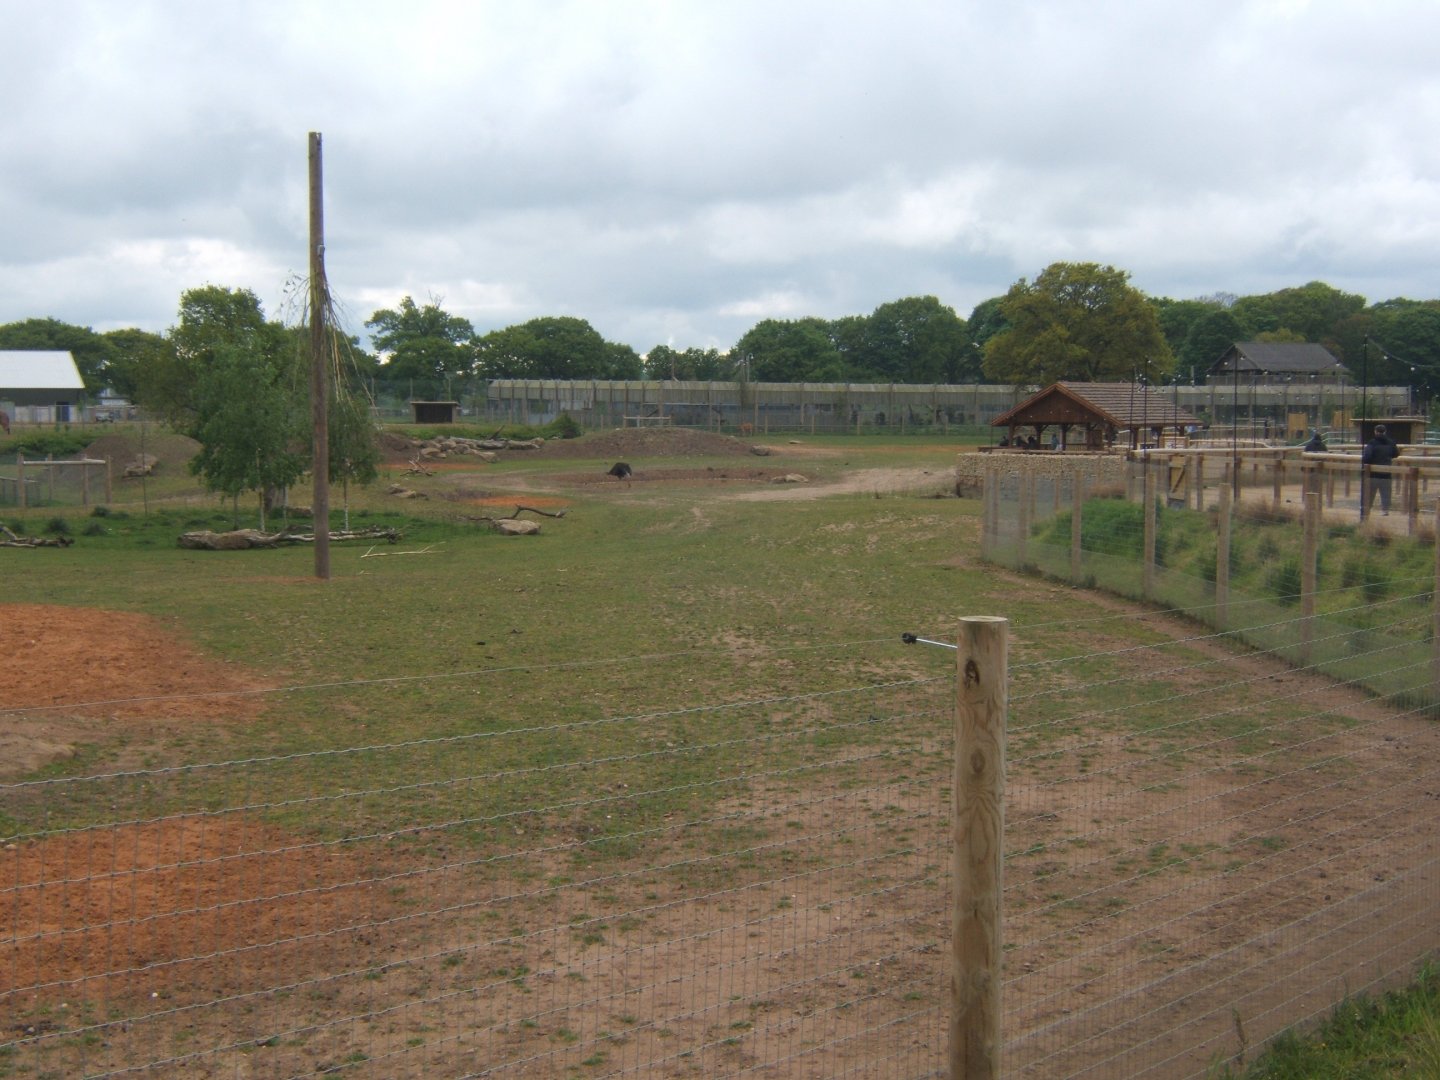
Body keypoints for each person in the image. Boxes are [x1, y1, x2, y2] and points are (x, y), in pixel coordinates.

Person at [1361, 424, 1399, 518]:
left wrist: (1366, 462)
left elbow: (1367, 457)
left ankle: (1367, 508)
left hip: (1373, 473)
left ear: (1375, 431)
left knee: (1370, 492)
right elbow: (1396, 454)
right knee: (1386, 492)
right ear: (1385, 432)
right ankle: (1385, 510)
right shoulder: (1391, 442)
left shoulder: (1372, 442)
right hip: (1386, 472)